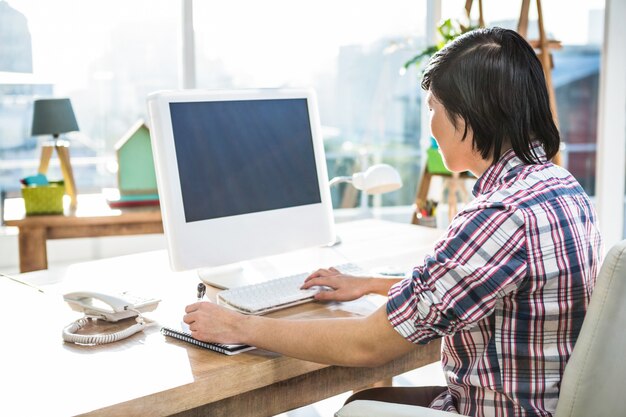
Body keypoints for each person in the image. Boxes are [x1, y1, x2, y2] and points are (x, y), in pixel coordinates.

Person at [183, 27, 603, 417]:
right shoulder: (561, 188)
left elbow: (368, 344)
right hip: (543, 405)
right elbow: (478, 281)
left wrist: (240, 325)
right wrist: (371, 283)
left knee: (358, 410)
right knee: (367, 401)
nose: (431, 128)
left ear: (471, 114)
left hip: (495, 410)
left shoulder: (497, 217)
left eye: (434, 109)